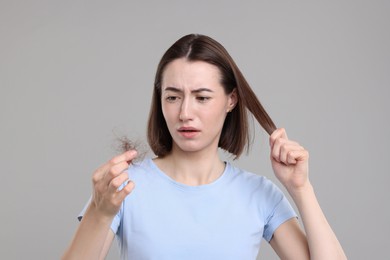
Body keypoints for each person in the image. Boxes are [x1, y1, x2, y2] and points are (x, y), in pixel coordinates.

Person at [62, 34, 346, 259]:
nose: (185, 112)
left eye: (202, 97)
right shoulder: (123, 187)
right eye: (173, 97)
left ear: (231, 100)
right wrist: (100, 213)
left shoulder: (260, 195)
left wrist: (301, 189)